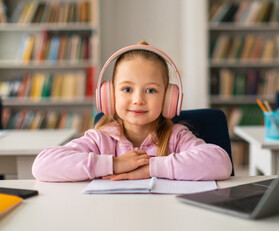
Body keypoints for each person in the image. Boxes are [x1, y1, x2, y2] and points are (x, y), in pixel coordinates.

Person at [32, 41, 232, 182]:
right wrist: (114, 164)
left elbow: (221, 163)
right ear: (109, 95)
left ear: (168, 98)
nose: (138, 100)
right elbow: (42, 166)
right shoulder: (101, 140)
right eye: (127, 89)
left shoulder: (176, 137)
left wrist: (151, 169)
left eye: (151, 90)